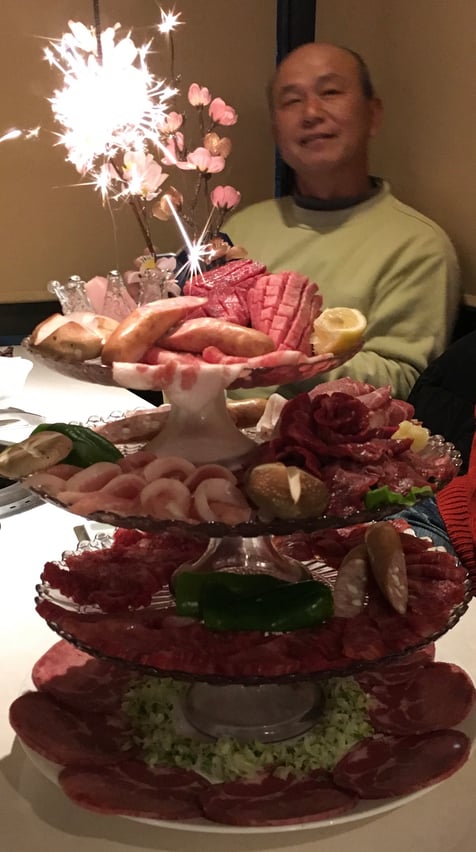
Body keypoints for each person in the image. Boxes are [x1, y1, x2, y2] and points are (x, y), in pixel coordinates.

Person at [226, 42, 461, 401]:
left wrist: (281, 349)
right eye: (292, 100)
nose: (311, 113)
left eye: (330, 92)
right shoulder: (241, 227)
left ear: (373, 114)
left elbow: (399, 380)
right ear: (276, 131)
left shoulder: (418, 246)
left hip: (314, 436)